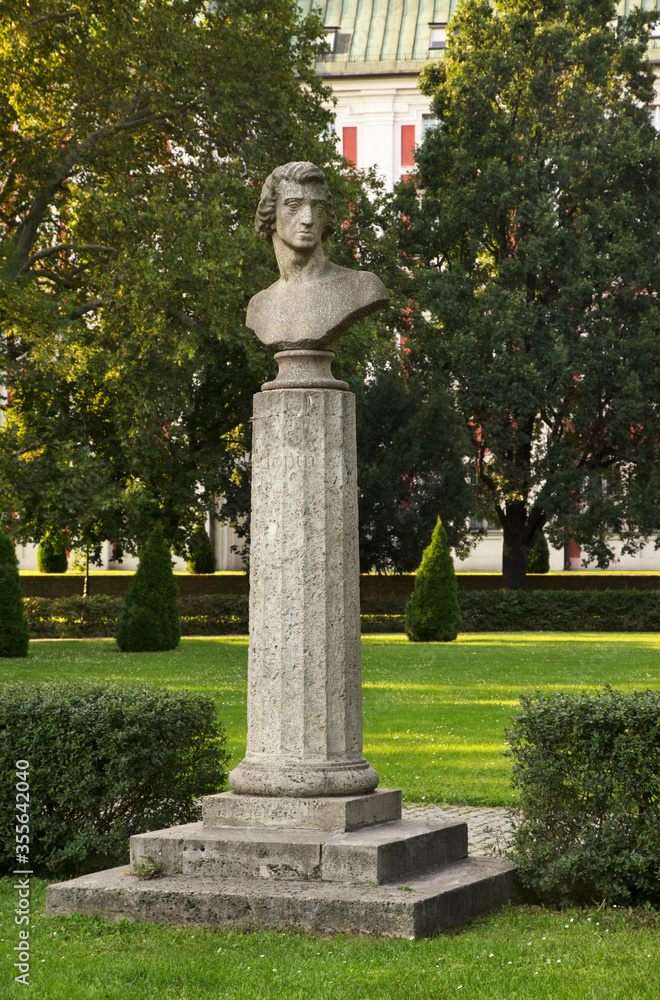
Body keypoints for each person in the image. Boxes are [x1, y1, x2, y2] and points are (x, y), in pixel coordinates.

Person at [246, 161, 389, 353]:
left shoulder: (361, 287)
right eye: (294, 206)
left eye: (318, 208)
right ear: (271, 215)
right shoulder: (259, 306)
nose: (308, 219)